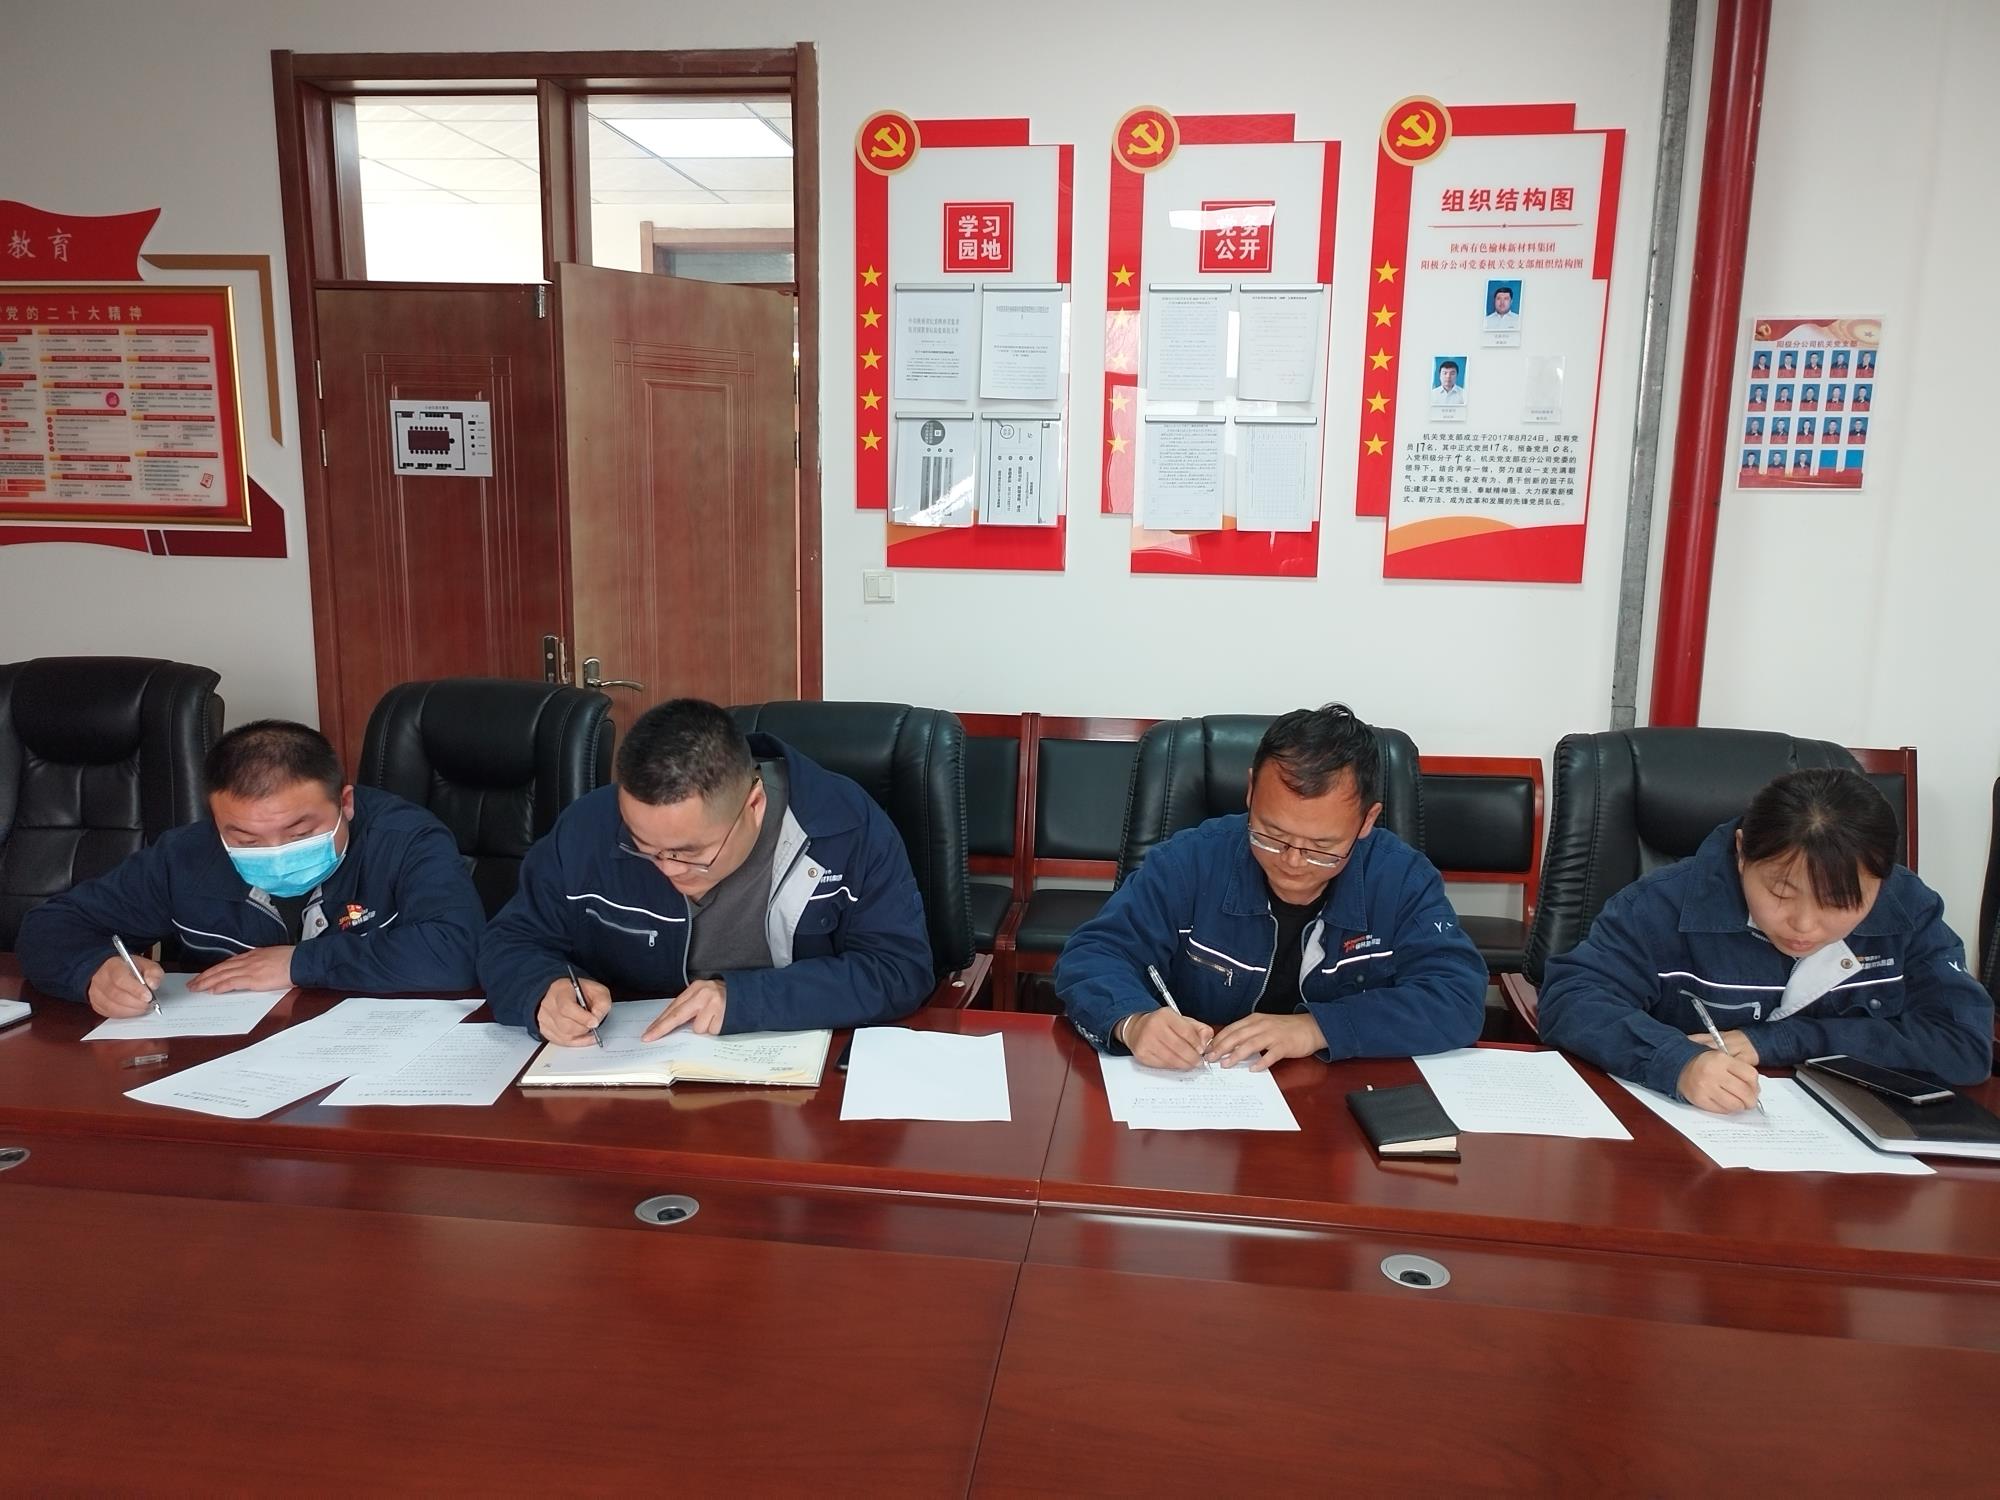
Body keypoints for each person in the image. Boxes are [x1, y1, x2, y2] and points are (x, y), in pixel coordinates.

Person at [1057, 704, 1485, 1071]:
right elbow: (1094, 954)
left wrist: (1319, 1027)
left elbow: (1457, 998)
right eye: (1272, 835)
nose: (1293, 862)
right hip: (1202, 1092)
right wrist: (1132, 1021)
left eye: (1322, 846)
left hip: (1337, 1102)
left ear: (1367, 821)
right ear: (1250, 792)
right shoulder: (1188, 862)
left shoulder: (1401, 880)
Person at [479, 697, 931, 1044]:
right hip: (632, 1074)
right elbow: (510, 942)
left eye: (689, 853)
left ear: (754, 804)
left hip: (795, 1074)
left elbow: (898, 970)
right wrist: (542, 990)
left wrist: (744, 998)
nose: (666, 868)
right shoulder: (586, 829)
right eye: (644, 846)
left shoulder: (844, 826)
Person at [1539, 768, 1993, 1113]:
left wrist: (1784, 1040)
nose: (1804, 924)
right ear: (1741, 852)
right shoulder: (1661, 905)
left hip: (1853, 1156)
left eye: (1839, 902)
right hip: (1688, 1141)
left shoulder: (1908, 909)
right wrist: (1677, 1062)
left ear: (1882, 880)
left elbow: (1963, 1045)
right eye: (1781, 893)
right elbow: (1572, 999)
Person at [18, 720, 483, 1015]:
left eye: (299, 833)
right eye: (246, 840)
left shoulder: (404, 838)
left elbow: (458, 951)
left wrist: (300, 963)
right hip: (232, 1062)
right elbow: (50, 928)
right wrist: (92, 972)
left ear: (345, 803)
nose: (276, 852)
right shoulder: (187, 854)